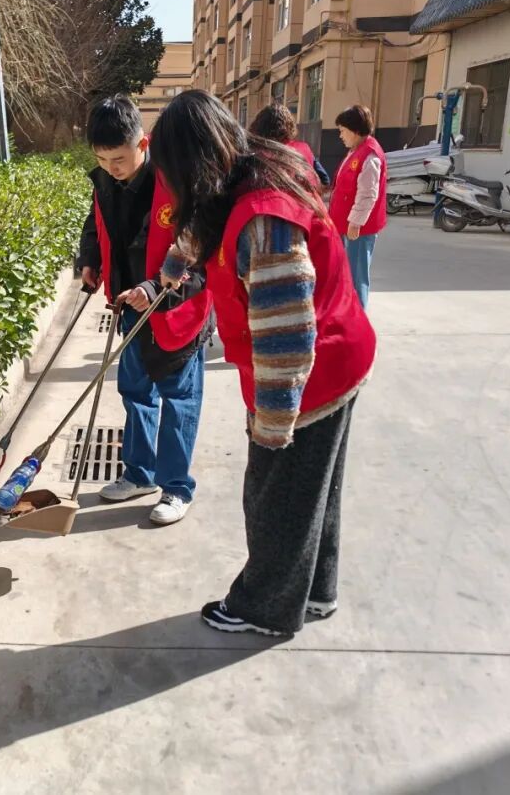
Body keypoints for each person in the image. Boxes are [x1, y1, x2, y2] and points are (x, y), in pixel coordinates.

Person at [150, 90, 375, 637]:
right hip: (341, 355)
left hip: (313, 371)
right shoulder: (248, 170)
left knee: (276, 500)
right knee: (314, 493)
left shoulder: (262, 219)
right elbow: (203, 225)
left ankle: (265, 609)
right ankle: (315, 592)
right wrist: (171, 271)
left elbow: (288, 336)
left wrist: (272, 425)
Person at [76, 96, 215, 525]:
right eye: (102, 159)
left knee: (178, 399)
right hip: (132, 310)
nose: (111, 168)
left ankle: (176, 487)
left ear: (143, 143)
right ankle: (139, 474)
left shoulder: (179, 182)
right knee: (135, 393)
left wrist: (154, 288)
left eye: (118, 158)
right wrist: (90, 261)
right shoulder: (105, 182)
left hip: (176, 312)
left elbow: (199, 262)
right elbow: (95, 225)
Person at [328, 104, 387, 308]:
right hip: (346, 225)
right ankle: (348, 315)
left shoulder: (370, 155)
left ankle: (358, 316)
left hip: (358, 230)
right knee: (346, 274)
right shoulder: (355, 151)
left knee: (357, 275)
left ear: (355, 130)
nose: (340, 136)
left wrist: (355, 223)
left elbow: (368, 194)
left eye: (342, 131)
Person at [249, 101, 330, 187]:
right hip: (304, 194)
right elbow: (325, 179)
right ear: (290, 126)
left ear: (259, 126)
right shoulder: (304, 148)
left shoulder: (258, 153)